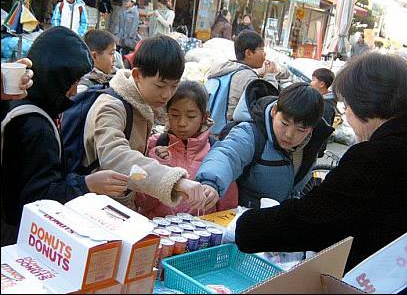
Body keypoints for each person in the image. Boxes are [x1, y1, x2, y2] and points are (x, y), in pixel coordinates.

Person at [234, 53, 407, 293]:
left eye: (347, 106)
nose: (347, 115)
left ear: (365, 106)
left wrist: (244, 226)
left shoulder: (377, 157)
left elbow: (313, 219)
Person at [1, 27, 129, 246]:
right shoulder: (36, 125)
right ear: (56, 77)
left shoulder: (17, 99)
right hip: (15, 237)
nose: (74, 90)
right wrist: (86, 184)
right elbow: (37, 199)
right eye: (72, 81)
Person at [81, 35, 213, 211]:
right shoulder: (111, 107)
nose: (167, 94)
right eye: (160, 86)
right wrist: (175, 181)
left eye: (174, 86)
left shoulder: (143, 106)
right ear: (137, 75)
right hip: (95, 210)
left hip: (117, 207)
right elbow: (115, 157)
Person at [196, 83, 333, 208]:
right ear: (274, 111)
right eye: (284, 123)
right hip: (243, 220)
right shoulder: (251, 134)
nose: (289, 134)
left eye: (301, 129)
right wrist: (211, 183)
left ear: (311, 128)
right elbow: (227, 154)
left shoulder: (311, 144)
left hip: (278, 223)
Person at [135, 81, 238, 218]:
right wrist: (157, 165)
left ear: (204, 117)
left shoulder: (217, 154)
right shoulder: (152, 146)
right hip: (156, 232)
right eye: (175, 115)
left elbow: (227, 210)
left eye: (191, 116)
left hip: (200, 234)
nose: (182, 123)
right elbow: (141, 202)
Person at [207, 30, 279, 123]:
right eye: (261, 49)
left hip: (212, 126)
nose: (264, 54)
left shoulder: (225, 68)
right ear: (248, 53)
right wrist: (270, 76)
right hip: (229, 130)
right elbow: (266, 103)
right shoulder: (248, 76)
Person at [310, 68, 336, 158]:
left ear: (321, 84)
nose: (311, 83)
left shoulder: (326, 106)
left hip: (314, 147)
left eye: (313, 80)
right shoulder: (321, 100)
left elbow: (322, 130)